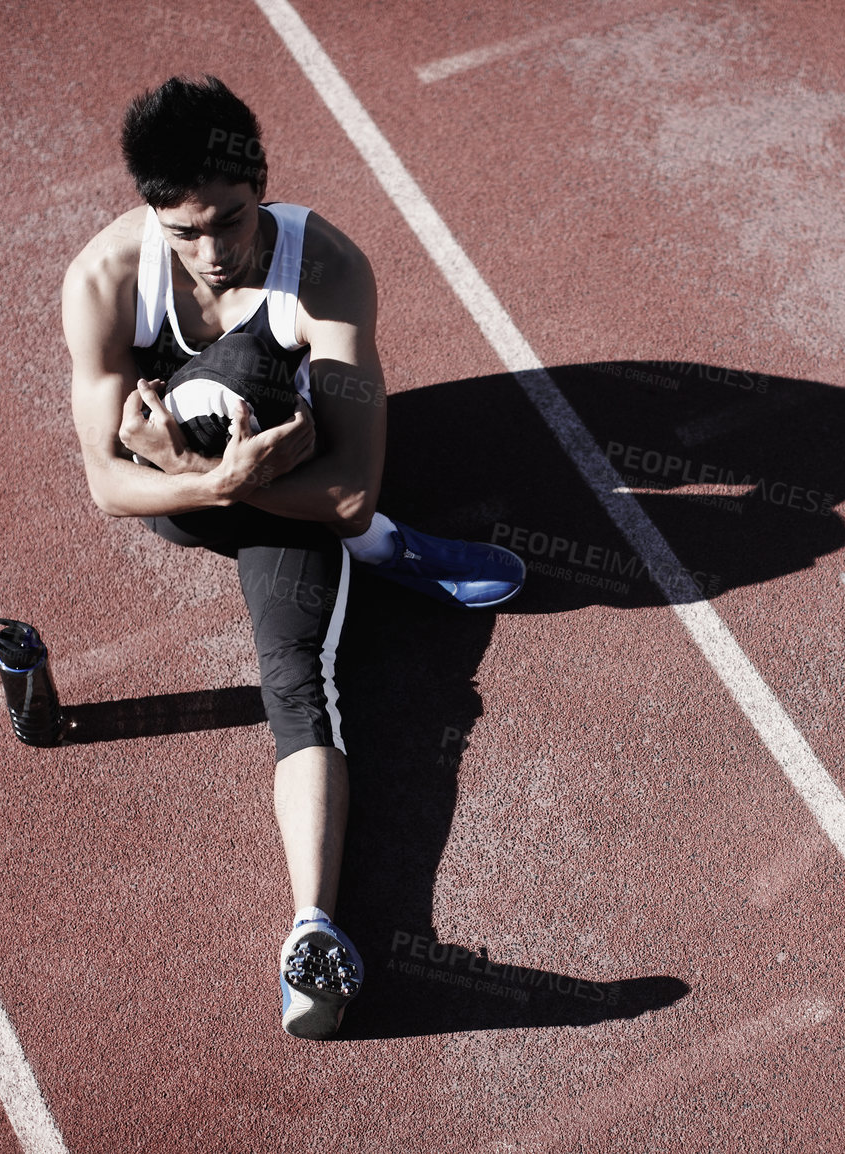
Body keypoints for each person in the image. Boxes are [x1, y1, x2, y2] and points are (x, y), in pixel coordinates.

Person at [60, 75, 524, 1040]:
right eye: (183, 230)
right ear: (149, 208)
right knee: (266, 447)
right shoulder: (103, 279)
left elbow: (351, 485)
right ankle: (390, 553)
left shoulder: (330, 268)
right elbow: (109, 489)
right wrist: (209, 485)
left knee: (297, 678)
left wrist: (222, 471)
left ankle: (312, 928)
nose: (213, 250)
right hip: (198, 495)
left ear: (262, 181)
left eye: (230, 220)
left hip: (293, 481)